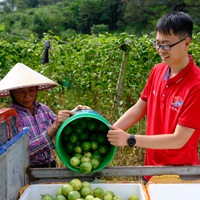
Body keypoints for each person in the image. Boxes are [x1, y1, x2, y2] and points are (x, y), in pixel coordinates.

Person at [107, 11, 200, 182]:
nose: (160, 50)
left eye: (166, 45)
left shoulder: (196, 86)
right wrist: (109, 132)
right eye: (157, 44)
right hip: (150, 170)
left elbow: (178, 140)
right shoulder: (158, 70)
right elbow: (139, 108)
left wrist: (130, 140)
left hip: (181, 176)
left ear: (186, 43)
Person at [0, 62, 89, 167]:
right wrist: (54, 126)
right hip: (24, 171)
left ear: (37, 89)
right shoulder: (11, 118)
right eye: (20, 91)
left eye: (31, 90)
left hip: (49, 166)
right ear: (11, 93)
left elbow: (63, 127)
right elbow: (23, 151)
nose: (27, 95)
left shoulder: (43, 109)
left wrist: (77, 112)